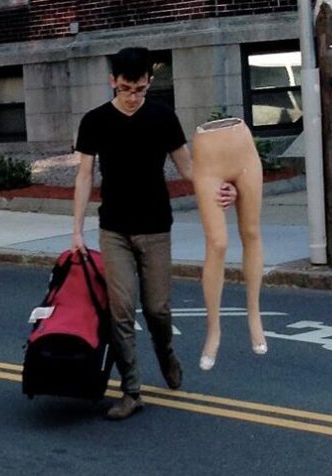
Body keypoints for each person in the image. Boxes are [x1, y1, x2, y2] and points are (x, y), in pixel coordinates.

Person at [71, 47, 236, 420]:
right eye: (125, 89)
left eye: (140, 89)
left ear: (149, 82)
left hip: (156, 227)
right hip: (114, 229)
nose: (132, 97)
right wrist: (76, 231)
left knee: (158, 309)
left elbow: (189, 168)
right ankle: (131, 391)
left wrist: (220, 188)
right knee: (121, 311)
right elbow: (84, 176)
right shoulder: (95, 121)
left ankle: (165, 353)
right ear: (113, 82)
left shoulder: (162, 117)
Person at [192, 118, 267, 371]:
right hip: (207, 155)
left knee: (251, 231)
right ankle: (213, 330)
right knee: (217, 243)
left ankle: (254, 315)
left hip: (241, 146)